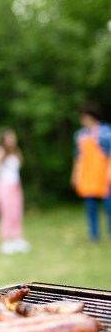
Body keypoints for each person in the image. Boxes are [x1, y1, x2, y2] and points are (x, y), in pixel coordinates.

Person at [70, 102, 111, 242]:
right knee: (90, 207)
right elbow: (78, 157)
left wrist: (109, 172)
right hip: (87, 175)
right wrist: (75, 174)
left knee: (109, 206)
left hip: (104, 174)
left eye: (84, 117)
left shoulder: (106, 132)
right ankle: (94, 235)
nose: (82, 120)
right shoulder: (80, 135)